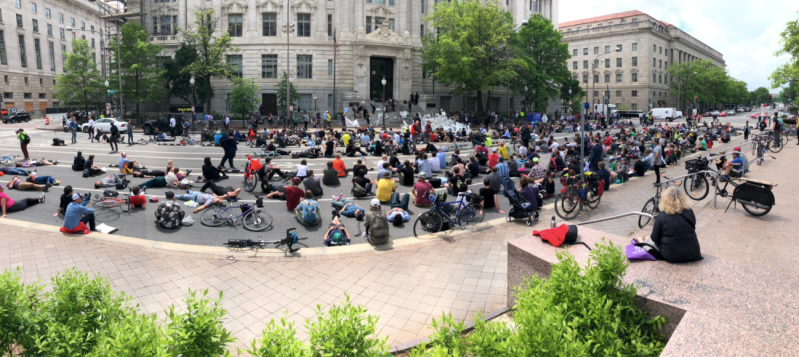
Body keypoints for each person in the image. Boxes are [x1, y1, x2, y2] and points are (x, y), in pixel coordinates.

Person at [646, 187, 702, 263]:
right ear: (682, 199)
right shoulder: (689, 211)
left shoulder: (662, 216)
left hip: (671, 255)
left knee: (649, 244)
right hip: (692, 252)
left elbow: (654, 238)